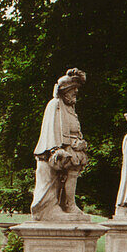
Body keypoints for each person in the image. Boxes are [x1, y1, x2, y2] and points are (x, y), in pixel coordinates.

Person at [31, 68, 89, 220]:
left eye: (77, 89)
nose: (76, 92)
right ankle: (55, 207)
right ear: (65, 91)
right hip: (54, 153)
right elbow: (51, 130)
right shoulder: (55, 104)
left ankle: (69, 204)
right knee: (61, 175)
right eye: (73, 90)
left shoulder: (70, 109)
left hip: (72, 150)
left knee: (73, 172)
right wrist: (56, 149)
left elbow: (74, 131)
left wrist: (80, 143)